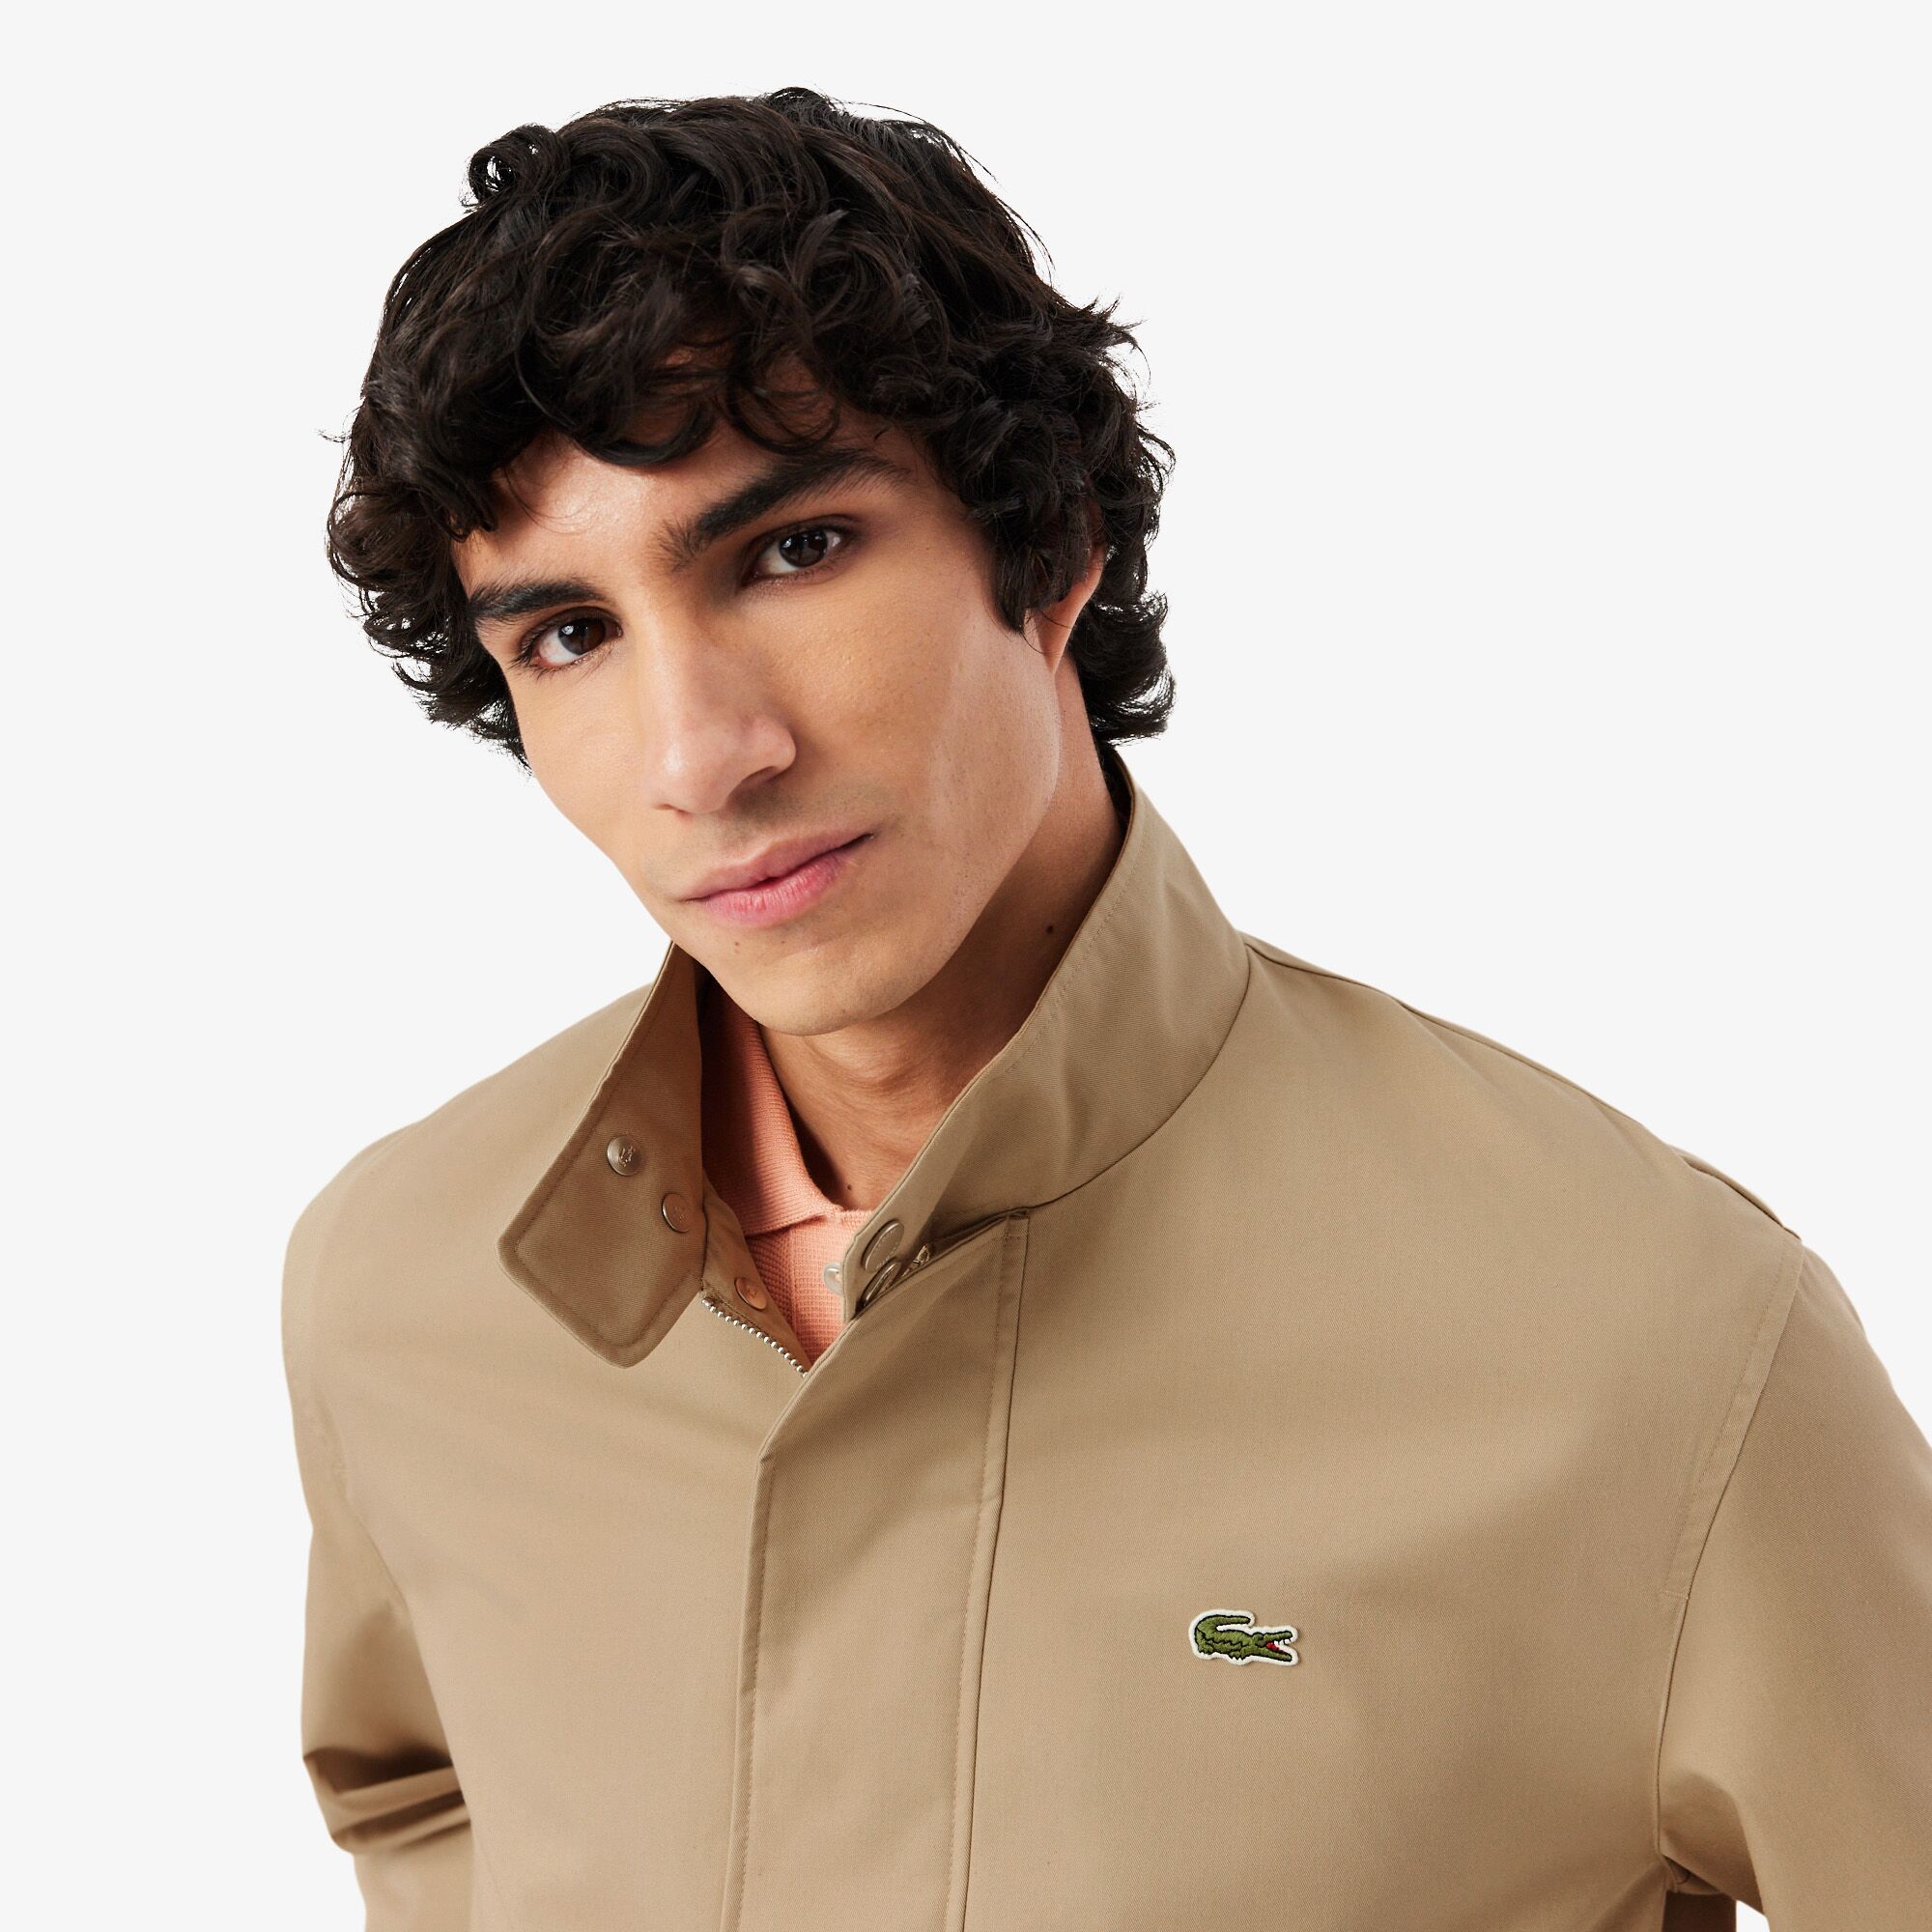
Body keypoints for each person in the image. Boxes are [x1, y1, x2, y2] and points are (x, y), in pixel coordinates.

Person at [283, 87, 1932, 1931]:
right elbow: (420, 1789)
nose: (699, 756)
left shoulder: (1653, 1336)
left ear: (1049, 541)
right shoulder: (408, 1289)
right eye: (569, 635)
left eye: (793, 550)